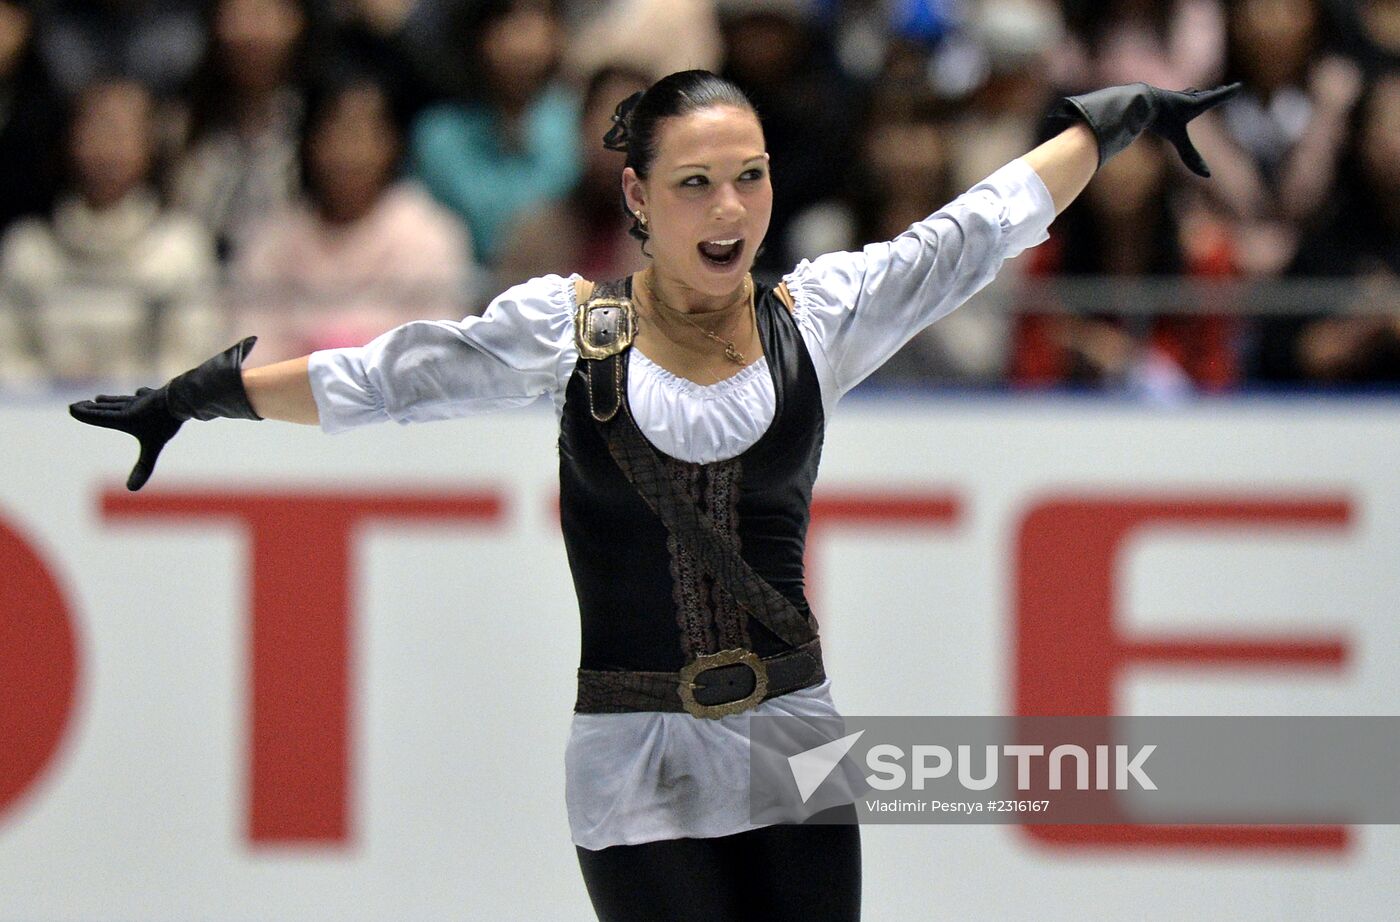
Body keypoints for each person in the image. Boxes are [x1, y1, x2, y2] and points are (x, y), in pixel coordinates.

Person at [69, 70, 1237, 921]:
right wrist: (200, 395)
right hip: (632, 754)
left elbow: (971, 232)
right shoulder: (571, 331)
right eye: (694, 184)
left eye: (748, 178)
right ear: (635, 194)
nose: (729, 212)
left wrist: (1108, 121)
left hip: (793, 737)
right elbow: (391, 376)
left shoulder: (816, 317)